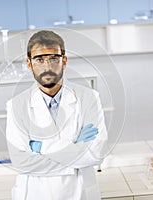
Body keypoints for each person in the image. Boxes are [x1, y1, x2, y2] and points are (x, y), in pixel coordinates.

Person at [6, 30, 108, 200]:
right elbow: (21, 162)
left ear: (64, 61)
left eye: (53, 59)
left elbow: (97, 152)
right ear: (29, 64)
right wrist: (75, 146)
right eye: (39, 60)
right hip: (35, 194)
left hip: (80, 193)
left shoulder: (89, 98)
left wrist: (42, 149)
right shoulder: (16, 105)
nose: (47, 67)